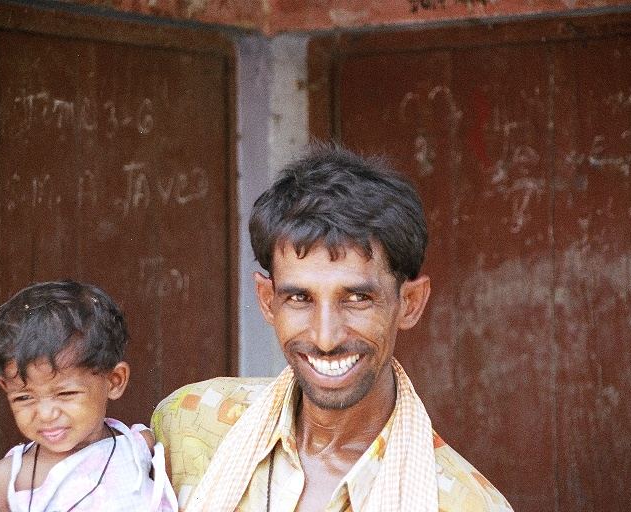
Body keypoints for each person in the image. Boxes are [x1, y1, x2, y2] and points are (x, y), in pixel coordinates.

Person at [152, 145, 512, 511]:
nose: (326, 337)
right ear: (266, 300)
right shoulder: (190, 425)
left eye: (357, 299)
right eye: (299, 298)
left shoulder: (464, 503)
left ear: (410, 303)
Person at [0, 281, 178, 512]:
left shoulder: (138, 448)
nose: (45, 414)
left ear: (114, 381)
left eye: (65, 393)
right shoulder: (8, 482)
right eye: (24, 398)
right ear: (6, 387)